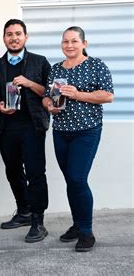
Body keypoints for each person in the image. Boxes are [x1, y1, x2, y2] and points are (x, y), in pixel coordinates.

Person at [43, 26, 114, 252]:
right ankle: (77, 223)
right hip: (61, 131)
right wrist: (50, 106)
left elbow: (107, 95)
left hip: (87, 131)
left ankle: (86, 232)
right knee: (70, 180)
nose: (69, 45)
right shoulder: (55, 69)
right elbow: (47, 98)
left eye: (74, 41)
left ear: (84, 43)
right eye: (65, 41)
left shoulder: (95, 65)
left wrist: (77, 94)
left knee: (77, 178)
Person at [0, 19, 51, 243]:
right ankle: (24, 210)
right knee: (12, 171)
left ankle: (38, 221)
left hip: (33, 126)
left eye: (18, 33)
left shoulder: (40, 62)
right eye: (9, 34)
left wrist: (29, 83)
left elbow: (51, 94)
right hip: (6, 127)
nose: (13, 38)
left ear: (26, 37)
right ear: (4, 38)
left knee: (36, 173)